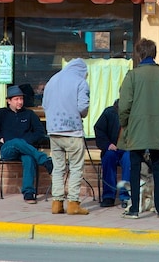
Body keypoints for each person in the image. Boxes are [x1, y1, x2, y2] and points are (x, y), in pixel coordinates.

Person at [118, 38, 159, 220]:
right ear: (154, 53)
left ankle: (135, 209)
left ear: (139, 54)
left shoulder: (132, 76)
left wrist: (125, 123)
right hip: (158, 129)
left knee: (135, 169)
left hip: (136, 128)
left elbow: (124, 106)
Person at [0, 85, 53, 204]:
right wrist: (0, 138)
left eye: (21, 99)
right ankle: (45, 161)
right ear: (9, 101)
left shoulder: (29, 114)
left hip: (25, 150)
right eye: (16, 99)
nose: (20, 102)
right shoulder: (1, 113)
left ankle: (28, 193)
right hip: (8, 149)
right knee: (17, 142)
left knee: (29, 158)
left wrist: (27, 142)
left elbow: (40, 132)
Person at [42, 58, 90, 215]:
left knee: (58, 168)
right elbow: (83, 108)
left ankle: (57, 203)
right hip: (72, 131)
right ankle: (73, 203)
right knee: (76, 167)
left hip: (53, 131)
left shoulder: (53, 79)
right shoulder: (80, 82)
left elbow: (45, 105)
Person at [94, 99, 131, 208]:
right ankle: (108, 196)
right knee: (108, 157)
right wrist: (107, 145)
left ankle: (126, 196)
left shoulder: (136, 112)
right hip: (113, 148)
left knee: (129, 159)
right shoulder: (110, 112)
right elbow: (99, 129)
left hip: (129, 149)